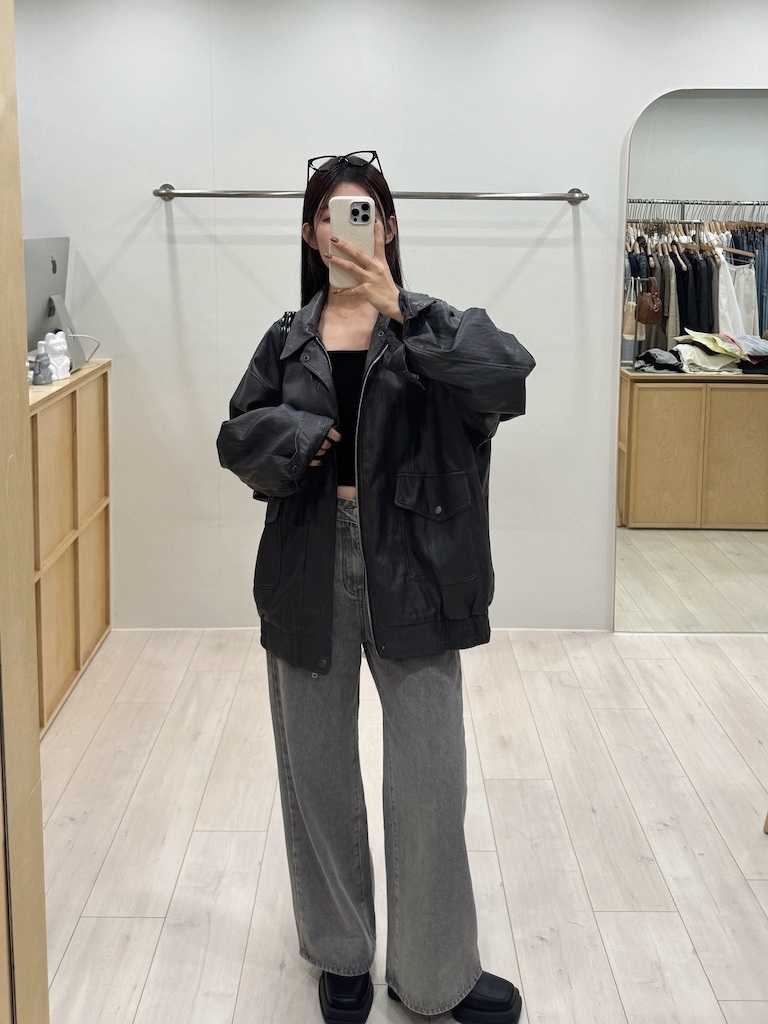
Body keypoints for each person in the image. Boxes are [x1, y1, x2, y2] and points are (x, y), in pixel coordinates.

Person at [217, 151, 535, 1024]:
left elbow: (506, 379)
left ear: (387, 227)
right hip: (308, 562)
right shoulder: (287, 338)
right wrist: (297, 437)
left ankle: (433, 974)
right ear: (310, 233)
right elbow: (237, 435)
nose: (345, 229)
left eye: (361, 213)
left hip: (418, 567)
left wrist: (400, 308)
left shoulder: (434, 324)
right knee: (316, 772)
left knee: (431, 779)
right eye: (329, 214)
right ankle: (342, 952)